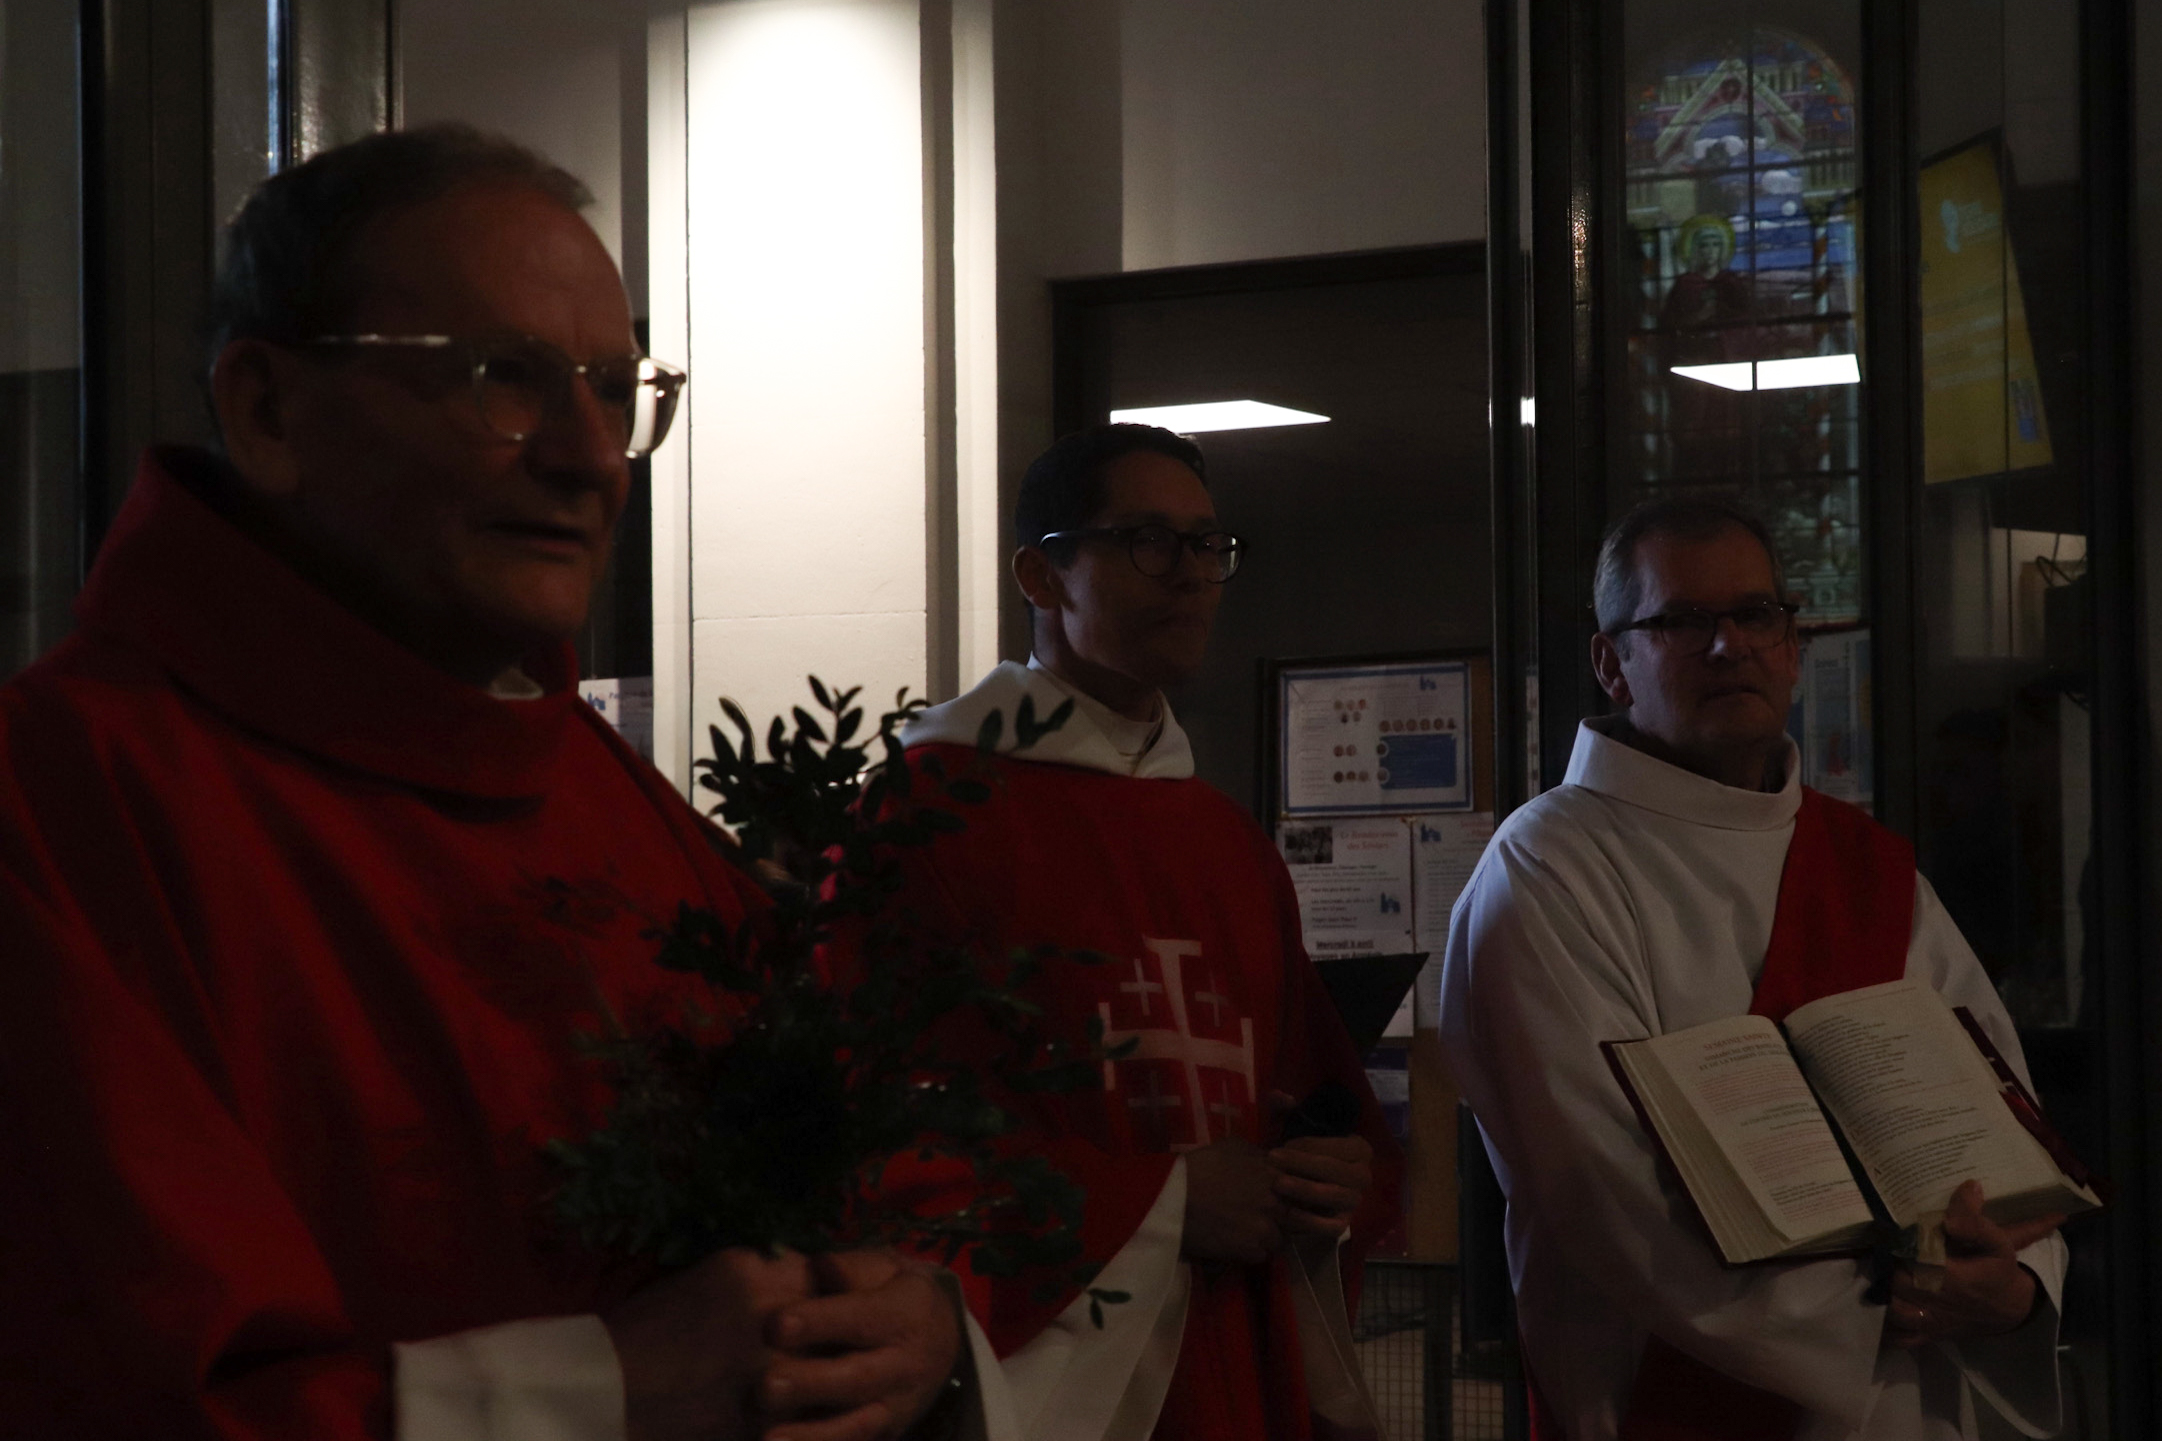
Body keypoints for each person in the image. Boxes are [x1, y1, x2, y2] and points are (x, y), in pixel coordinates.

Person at [0, 124, 970, 1441]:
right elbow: (107, 1390)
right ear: (269, 410)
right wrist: (596, 1392)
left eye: (615, 392)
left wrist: (908, 1320)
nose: (589, 456)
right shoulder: (63, 801)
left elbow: (858, 1181)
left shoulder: (605, 793)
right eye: (500, 378)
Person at [1437, 498, 2068, 1441]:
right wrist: (1892, 1313)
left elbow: (1999, 1125)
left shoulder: (1868, 867)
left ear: (1792, 644)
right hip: (1678, 1401)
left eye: (1756, 614)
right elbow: (1608, 1198)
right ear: (1611, 661)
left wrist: (2012, 1286)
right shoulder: (1548, 867)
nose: (1729, 645)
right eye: (1684, 620)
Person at [884, 423, 1402, 1441]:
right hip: (1049, 1378)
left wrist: (1324, 1177)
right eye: (1148, 542)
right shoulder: (929, 814)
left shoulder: (1224, 840)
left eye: (1208, 544)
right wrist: (1161, 1204)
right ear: (1041, 575)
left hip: (1227, 1339)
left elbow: (1303, 1096)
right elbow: (886, 1129)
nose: (1192, 574)